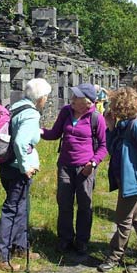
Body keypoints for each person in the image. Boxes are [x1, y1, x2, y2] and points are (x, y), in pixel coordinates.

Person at [97, 87, 137, 273]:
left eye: (114, 104)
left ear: (122, 105)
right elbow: (112, 148)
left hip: (133, 181)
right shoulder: (124, 125)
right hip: (127, 179)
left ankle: (114, 256)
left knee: (123, 220)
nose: (111, 107)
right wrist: (110, 127)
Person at [41, 83, 108, 255]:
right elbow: (55, 133)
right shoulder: (66, 111)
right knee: (64, 203)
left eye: (76, 97)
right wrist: (36, 131)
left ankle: (82, 241)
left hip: (85, 168)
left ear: (87, 102)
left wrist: (93, 163)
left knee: (85, 205)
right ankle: (65, 239)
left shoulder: (96, 118)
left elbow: (104, 145)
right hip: (65, 165)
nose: (72, 99)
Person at [0, 78, 52, 272]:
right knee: (12, 208)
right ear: (41, 98)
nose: (46, 100)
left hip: (7, 165)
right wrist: (26, 166)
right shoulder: (31, 114)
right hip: (18, 168)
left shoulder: (16, 107)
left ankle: (20, 246)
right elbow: (20, 141)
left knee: (21, 207)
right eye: (46, 97)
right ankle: (1, 256)